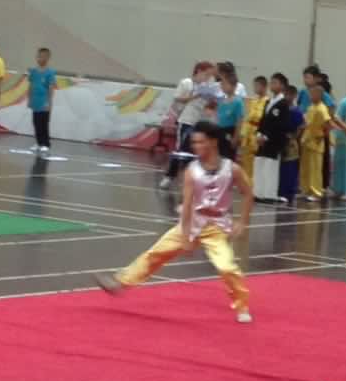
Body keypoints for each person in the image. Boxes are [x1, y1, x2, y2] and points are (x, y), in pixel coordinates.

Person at [97, 122, 254, 323]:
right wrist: (186, 236)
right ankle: (119, 282)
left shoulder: (232, 169)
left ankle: (242, 305)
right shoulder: (191, 171)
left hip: (216, 226)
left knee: (226, 267)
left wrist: (242, 222)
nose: (196, 146)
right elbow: (187, 204)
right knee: (156, 253)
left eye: (201, 142)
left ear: (213, 142)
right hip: (192, 222)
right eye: (194, 142)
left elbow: (248, 193)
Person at [162, 60, 216, 189]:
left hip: (201, 122)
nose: (208, 77)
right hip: (187, 120)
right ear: (199, 71)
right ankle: (169, 176)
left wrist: (212, 101)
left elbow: (212, 103)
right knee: (181, 149)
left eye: (210, 75)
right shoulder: (187, 83)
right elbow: (177, 98)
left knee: (197, 151)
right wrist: (195, 95)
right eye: (206, 74)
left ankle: (192, 179)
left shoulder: (209, 87)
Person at [253, 72, 291, 203]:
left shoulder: (284, 103)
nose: (272, 85)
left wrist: (267, 136)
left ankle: (269, 194)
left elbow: (280, 124)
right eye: (271, 82)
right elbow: (263, 120)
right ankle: (258, 192)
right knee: (259, 163)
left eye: (275, 83)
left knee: (270, 166)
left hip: (274, 140)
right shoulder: (269, 101)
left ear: (282, 86)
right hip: (262, 139)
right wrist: (259, 134)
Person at [300, 81, 331, 201]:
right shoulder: (311, 107)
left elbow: (327, 125)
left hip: (316, 142)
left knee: (315, 169)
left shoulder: (322, 109)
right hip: (307, 140)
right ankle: (306, 189)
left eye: (313, 94)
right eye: (310, 94)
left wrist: (321, 137)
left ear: (319, 95)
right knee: (306, 168)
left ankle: (316, 192)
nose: (310, 96)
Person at [26, 46, 56, 156]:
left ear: (47, 58)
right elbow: (31, 86)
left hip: (44, 102)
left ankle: (45, 144)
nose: (40, 59)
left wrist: (48, 102)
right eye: (39, 56)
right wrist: (29, 99)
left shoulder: (50, 72)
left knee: (44, 123)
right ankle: (38, 143)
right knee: (36, 123)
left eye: (43, 57)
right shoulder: (33, 72)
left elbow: (51, 89)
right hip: (35, 101)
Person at [279, 84, 304, 205]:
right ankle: (280, 191)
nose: (287, 97)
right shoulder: (281, 108)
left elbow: (301, 127)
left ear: (294, 96)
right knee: (281, 168)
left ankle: (290, 192)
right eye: (285, 94)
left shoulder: (296, 111)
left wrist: (293, 137)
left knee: (290, 168)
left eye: (289, 94)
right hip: (280, 140)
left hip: (291, 142)